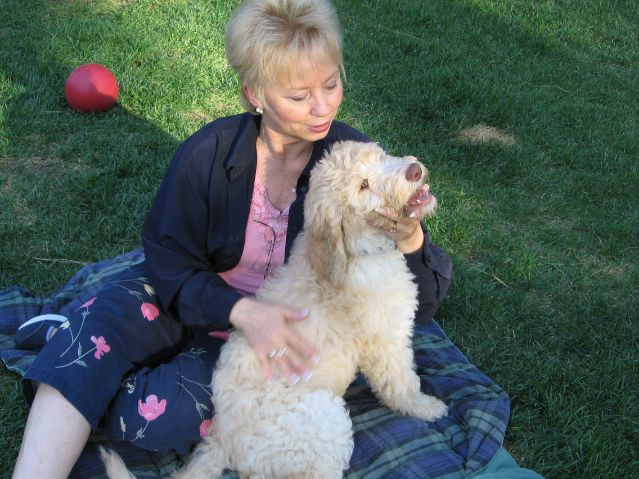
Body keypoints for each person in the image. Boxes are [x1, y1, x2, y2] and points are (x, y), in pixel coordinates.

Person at [11, 0, 452, 477]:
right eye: (300, 94)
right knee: (93, 334)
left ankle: (80, 365)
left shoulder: (349, 164)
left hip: (248, 349)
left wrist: (410, 237)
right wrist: (242, 309)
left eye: (330, 84)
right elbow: (168, 261)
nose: (322, 106)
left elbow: (419, 304)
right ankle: (73, 344)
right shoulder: (206, 155)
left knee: (162, 416)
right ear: (255, 93)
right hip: (187, 294)